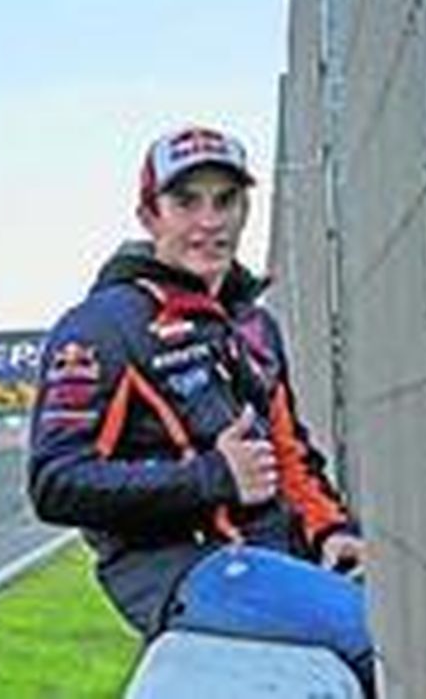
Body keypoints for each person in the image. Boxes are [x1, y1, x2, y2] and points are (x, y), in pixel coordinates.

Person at [26, 126, 374, 690]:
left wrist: (329, 530)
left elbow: (289, 454)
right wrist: (213, 476)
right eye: (186, 201)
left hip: (271, 560)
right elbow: (55, 483)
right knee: (375, 631)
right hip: (179, 570)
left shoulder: (255, 324)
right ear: (150, 215)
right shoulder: (100, 327)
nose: (209, 221)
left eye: (226, 200)